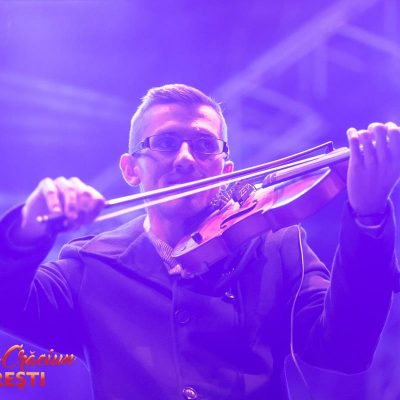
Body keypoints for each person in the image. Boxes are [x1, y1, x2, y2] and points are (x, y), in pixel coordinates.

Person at [0, 83, 399, 400]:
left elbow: (345, 348)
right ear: (131, 169)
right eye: (165, 142)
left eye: (205, 144)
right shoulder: (90, 266)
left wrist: (368, 216)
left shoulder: (275, 247)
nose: (186, 158)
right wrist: (28, 226)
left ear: (225, 169)